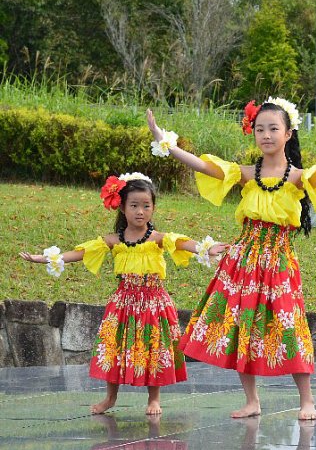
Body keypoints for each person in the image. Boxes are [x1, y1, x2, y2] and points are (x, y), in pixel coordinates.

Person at [147, 100, 316, 420]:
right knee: (243, 326)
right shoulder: (245, 174)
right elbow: (202, 166)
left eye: (273, 128)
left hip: (278, 259)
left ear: (288, 134)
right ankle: (252, 400)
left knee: (289, 325)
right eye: (260, 129)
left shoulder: (298, 177)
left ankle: (307, 400)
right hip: (244, 259)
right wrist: (164, 141)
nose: (266, 135)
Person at [19, 173, 224, 415]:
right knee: (113, 348)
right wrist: (46, 259)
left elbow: (183, 243)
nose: (140, 211)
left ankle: (154, 399)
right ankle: (110, 398)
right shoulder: (114, 240)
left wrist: (207, 248)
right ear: (123, 208)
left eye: (146, 206)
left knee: (152, 347)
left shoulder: (158, 239)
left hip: (153, 301)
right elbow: (80, 253)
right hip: (123, 302)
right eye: (134, 205)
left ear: (153, 208)